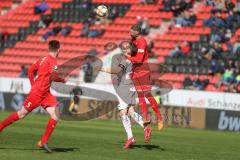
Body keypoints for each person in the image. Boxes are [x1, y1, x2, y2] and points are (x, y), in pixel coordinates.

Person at [0, 40, 66, 153]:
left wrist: (33, 84)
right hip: (37, 93)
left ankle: (43, 142)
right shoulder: (53, 61)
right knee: (21, 114)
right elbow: (53, 77)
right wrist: (62, 80)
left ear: (49, 48)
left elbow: (30, 71)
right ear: (58, 50)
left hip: (45, 93)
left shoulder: (42, 59)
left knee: (56, 114)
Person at [100, 45, 152, 149]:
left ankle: (133, 135)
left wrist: (102, 68)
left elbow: (116, 70)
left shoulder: (126, 60)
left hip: (124, 88)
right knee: (130, 111)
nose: (124, 49)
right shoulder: (134, 60)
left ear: (129, 52)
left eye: (127, 49)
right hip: (131, 86)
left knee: (123, 112)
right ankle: (142, 128)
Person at [124, 25, 164, 131]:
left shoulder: (142, 41)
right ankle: (146, 118)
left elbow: (139, 59)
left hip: (143, 71)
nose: (130, 32)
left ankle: (160, 118)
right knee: (140, 96)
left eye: (132, 31)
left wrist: (128, 57)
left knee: (147, 95)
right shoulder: (133, 40)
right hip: (135, 72)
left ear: (137, 32)